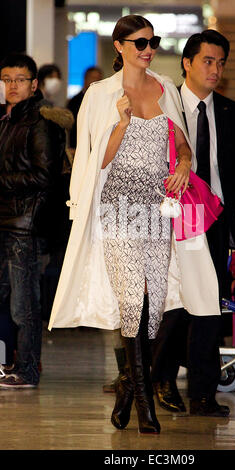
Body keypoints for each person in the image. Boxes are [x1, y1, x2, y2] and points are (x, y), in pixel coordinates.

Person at [48, 15, 221, 433]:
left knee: (159, 307)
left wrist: (182, 163)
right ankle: (146, 406)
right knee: (132, 303)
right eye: (140, 42)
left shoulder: (166, 89)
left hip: (159, 208)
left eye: (153, 41)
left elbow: (182, 143)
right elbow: (94, 162)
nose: (148, 48)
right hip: (118, 208)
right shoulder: (101, 94)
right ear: (120, 47)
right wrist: (122, 124)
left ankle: (128, 387)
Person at [151, 30, 235, 416]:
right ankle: (162, 380)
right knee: (173, 307)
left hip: (214, 221)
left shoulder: (232, 113)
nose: (215, 69)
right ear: (187, 63)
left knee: (208, 309)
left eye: (220, 63)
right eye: (207, 61)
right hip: (172, 220)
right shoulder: (165, 107)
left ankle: (202, 393)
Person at [0, 53, 66, 389]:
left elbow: (44, 176)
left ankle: (26, 369)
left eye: (20, 79)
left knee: (24, 304)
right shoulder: (7, 121)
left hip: (25, 226)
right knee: (10, 302)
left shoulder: (40, 124)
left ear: (34, 84)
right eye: (7, 79)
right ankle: (11, 363)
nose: (12, 85)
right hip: (7, 223)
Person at [67, 66, 103, 151]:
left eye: (99, 79)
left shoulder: (104, 100)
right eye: (93, 78)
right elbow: (72, 128)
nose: (96, 82)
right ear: (85, 79)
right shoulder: (74, 101)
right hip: (78, 146)